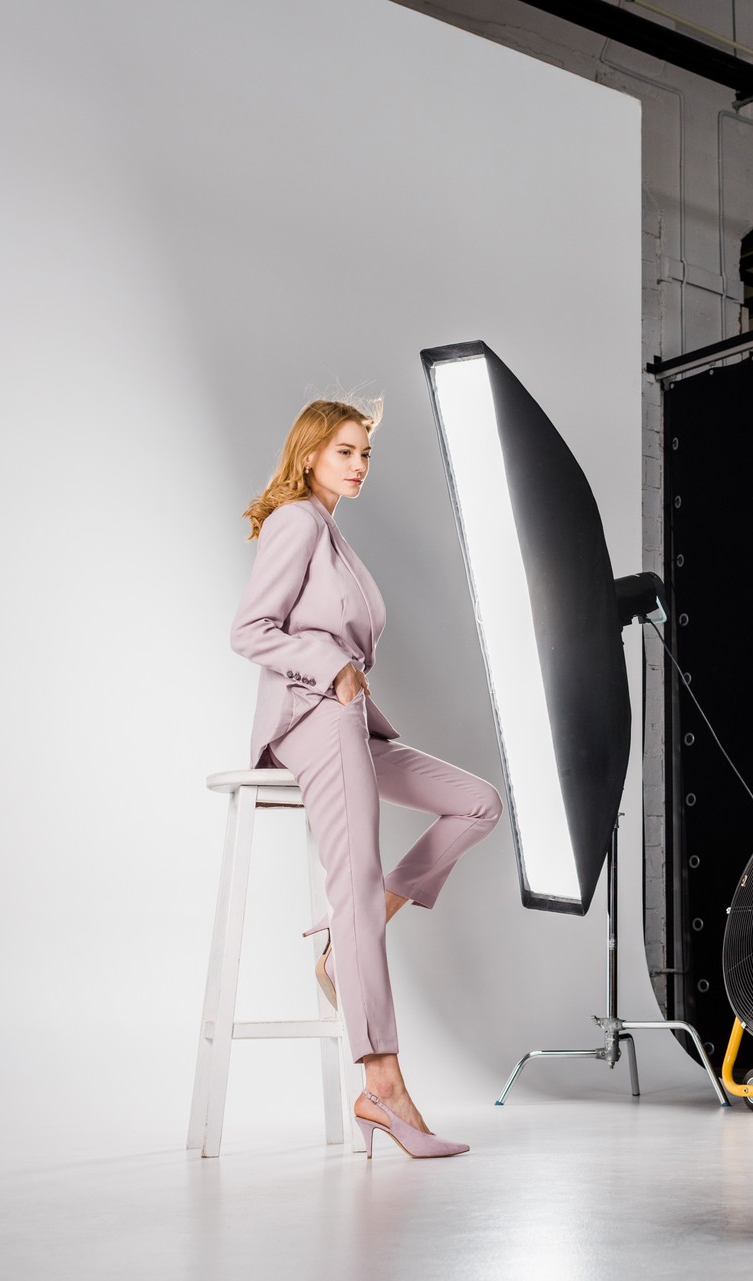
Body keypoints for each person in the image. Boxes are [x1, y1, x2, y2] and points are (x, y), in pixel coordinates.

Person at [231, 397, 502, 1160]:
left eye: (366, 453)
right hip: (313, 719)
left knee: (477, 802)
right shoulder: (296, 521)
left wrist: (354, 686)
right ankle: (382, 1084)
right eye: (345, 450)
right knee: (350, 879)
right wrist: (333, 667)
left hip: (351, 721)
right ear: (311, 452)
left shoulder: (332, 532)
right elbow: (250, 627)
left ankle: (355, 931)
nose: (358, 464)